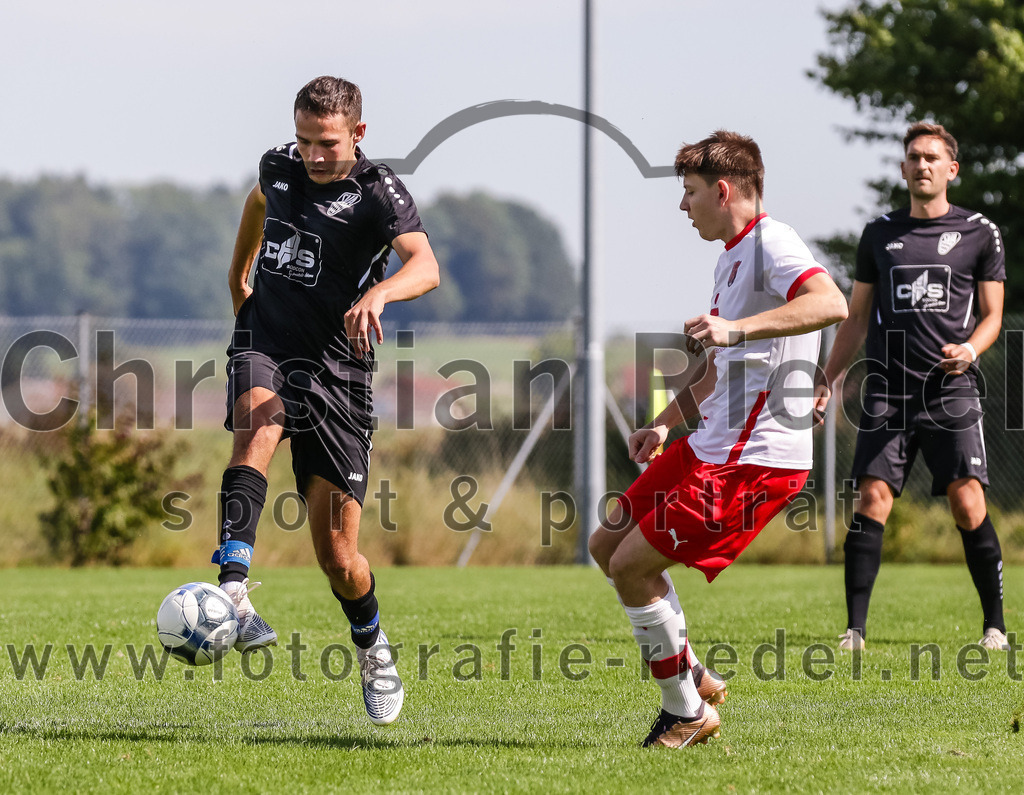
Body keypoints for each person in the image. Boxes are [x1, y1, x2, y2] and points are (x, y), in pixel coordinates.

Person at [589, 130, 848, 748]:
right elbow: (718, 368)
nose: (684, 206)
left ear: (723, 190)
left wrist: (736, 328)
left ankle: (685, 711)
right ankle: (692, 672)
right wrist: (663, 420)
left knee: (630, 566)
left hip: (752, 462)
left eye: (691, 192)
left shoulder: (772, 243)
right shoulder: (730, 257)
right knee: (607, 543)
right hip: (709, 446)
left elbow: (831, 302)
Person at [213, 76, 440, 725]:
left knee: (340, 560)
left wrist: (381, 294)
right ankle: (233, 585)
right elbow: (258, 202)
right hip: (269, 337)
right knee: (258, 425)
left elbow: (425, 265)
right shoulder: (280, 165)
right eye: (307, 140)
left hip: (339, 375)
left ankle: (372, 648)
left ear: (358, 135)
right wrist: (239, 275)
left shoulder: (377, 193)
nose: (314, 155)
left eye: (328, 144)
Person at [814, 122, 1008, 652]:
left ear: (952, 169)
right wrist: (827, 379)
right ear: (903, 169)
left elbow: (993, 315)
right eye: (913, 158)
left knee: (968, 504)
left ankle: (995, 626)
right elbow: (855, 319)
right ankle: (854, 630)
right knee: (871, 499)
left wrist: (970, 349)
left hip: (951, 392)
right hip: (887, 392)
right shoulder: (878, 234)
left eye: (931, 158)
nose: (921, 165)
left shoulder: (980, 233)